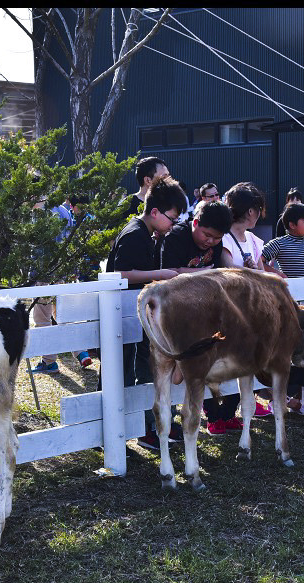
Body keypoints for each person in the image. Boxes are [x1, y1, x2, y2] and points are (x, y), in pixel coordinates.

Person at [106, 175, 185, 451]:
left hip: (133, 317)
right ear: (154, 212)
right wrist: (160, 275)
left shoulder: (147, 234)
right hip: (120, 317)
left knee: (141, 368)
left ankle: (145, 426)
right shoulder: (134, 234)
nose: (173, 225)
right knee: (124, 372)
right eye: (172, 218)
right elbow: (121, 273)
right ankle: (122, 428)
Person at [159, 201, 241, 436]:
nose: (210, 242)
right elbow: (170, 274)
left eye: (216, 238)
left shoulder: (216, 243)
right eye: (207, 235)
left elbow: (222, 269)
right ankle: (167, 420)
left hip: (203, 311)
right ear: (195, 223)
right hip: (173, 310)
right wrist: (207, 274)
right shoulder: (176, 237)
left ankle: (211, 411)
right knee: (172, 370)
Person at [262, 202, 304, 415]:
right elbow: (260, 259)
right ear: (291, 225)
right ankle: (280, 397)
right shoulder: (279, 243)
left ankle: (303, 398)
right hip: (290, 303)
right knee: (290, 346)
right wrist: (276, 274)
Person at [217, 181, 272, 419]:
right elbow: (229, 272)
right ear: (251, 211)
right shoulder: (224, 239)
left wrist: (253, 271)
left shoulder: (253, 240)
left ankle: (247, 404)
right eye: (258, 210)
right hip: (230, 311)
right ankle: (222, 413)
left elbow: (261, 273)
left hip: (252, 311)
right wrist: (252, 273)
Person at [31, 197, 95, 374]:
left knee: (42, 319)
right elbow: (69, 240)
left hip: (43, 273)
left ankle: (48, 361)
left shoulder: (37, 214)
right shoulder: (63, 211)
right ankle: (81, 352)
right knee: (65, 315)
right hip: (62, 271)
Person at [261, 202, 304, 279]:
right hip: (289, 289)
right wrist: (278, 274)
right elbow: (258, 259)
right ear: (292, 225)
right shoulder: (279, 243)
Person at [119, 156, 170, 223]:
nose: (169, 180)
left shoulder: (167, 202)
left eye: (168, 176)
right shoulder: (128, 205)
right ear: (148, 180)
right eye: (164, 177)